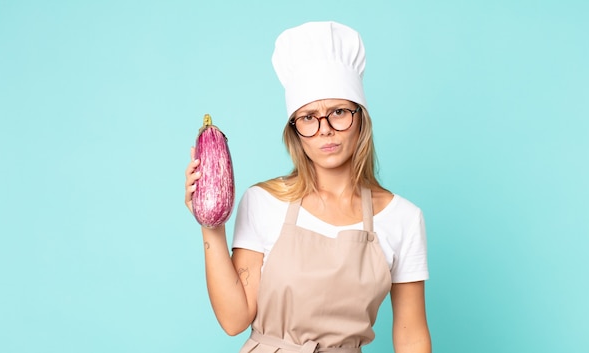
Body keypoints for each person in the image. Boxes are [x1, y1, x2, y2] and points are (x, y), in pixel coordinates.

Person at [184, 21, 431, 353]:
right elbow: (234, 319)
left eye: (339, 112)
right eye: (309, 118)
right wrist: (211, 226)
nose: (325, 129)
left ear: (361, 119)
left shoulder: (403, 218)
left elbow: (411, 334)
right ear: (295, 130)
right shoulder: (262, 202)